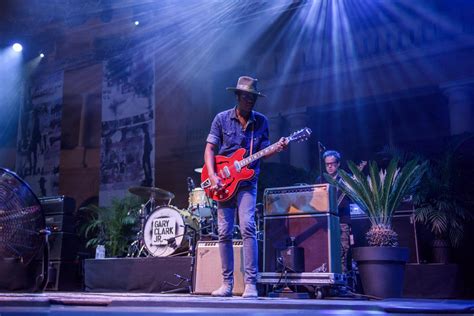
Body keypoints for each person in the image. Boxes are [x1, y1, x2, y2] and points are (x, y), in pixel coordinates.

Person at [204, 76, 287, 298]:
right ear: (238, 96)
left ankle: (251, 283)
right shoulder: (221, 119)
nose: (250, 101)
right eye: (246, 97)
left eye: (253, 98)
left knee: (248, 226)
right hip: (223, 181)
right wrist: (212, 175)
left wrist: (276, 149)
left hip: (248, 181)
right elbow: (210, 149)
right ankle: (227, 284)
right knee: (224, 232)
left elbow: (264, 152)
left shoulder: (261, 122)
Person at [316, 150, 352, 274]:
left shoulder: (346, 179)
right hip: (325, 223)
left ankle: (343, 284)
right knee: (325, 252)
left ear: (338, 164)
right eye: (327, 164)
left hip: (342, 221)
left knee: (342, 253)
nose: (330, 166)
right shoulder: (320, 179)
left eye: (332, 163)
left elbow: (352, 198)